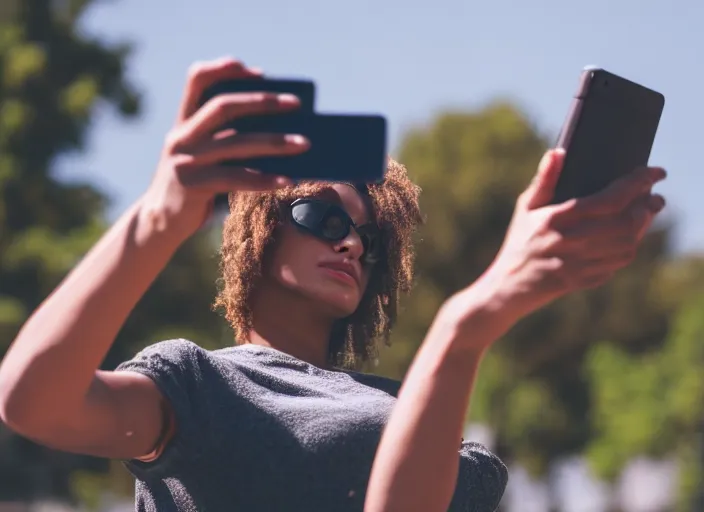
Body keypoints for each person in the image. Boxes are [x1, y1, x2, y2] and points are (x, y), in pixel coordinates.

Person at [0, 57, 665, 512]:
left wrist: (464, 333)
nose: (350, 242)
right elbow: (33, 401)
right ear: (257, 231)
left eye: (370, 240)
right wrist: (158, 217)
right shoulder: (197, 385)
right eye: (322, 217)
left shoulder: (422, 410)